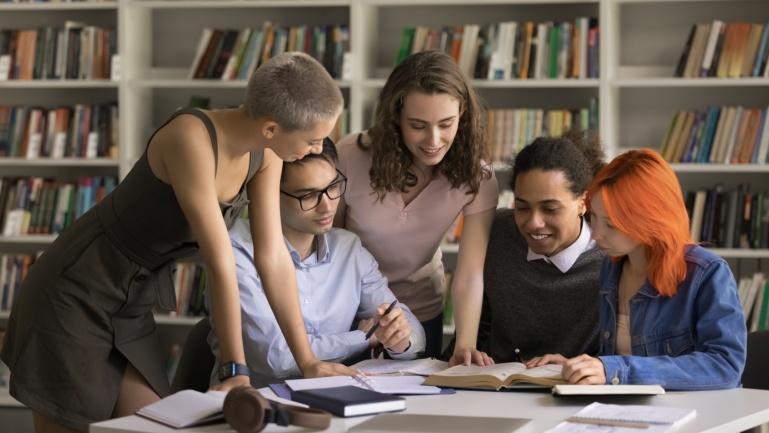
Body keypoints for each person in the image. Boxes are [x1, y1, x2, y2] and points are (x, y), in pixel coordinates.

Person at [0, 52, 350, 433]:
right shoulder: (191, 137)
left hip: (130, 304)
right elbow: (220, 262)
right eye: (314, 140)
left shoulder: (267, 153)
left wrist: (308, 361)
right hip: (74, 292)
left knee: (157, 428)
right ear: (270, 128)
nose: (317, 149)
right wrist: (235, 371)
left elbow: (273, 257)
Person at [207, 138, 425, 384]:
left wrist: (399, 338)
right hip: (257, 405)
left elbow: (411, 328)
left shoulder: (348, 249)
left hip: (334, 399)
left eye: (333, 186)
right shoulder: (236, 250)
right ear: (266, 192)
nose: (328, 205)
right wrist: (361, 338)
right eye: (308, 195)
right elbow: (275, 358)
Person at [530, 149, 747, 390]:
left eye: (611, 224)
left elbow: (726, 366)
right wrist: (584, 368)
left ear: (648, 218)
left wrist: (614, 370)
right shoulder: (612, 269)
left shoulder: (708, 273)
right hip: (628, 410)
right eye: (595, 217)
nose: (597, 233)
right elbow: (621, 359)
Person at [334, 50, 498, 364]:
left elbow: (470, 273)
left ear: (462, 113)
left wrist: (465, 344)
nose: (434, 140)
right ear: (396, 116)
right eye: (418, 125)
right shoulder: (349, 155)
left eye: (446, 124)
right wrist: (353, 314)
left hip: (422, 313)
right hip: (351, 313)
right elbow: (331, 250)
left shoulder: (478, 177)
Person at [442, 128, 607, 364]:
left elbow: (621, 353)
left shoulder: (609, 256)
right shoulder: (497, 232)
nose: (533, 223)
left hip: (573, 391)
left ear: (583, 202)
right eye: (522, 207)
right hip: (495, 386)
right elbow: (477, 328)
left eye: (550, 209)